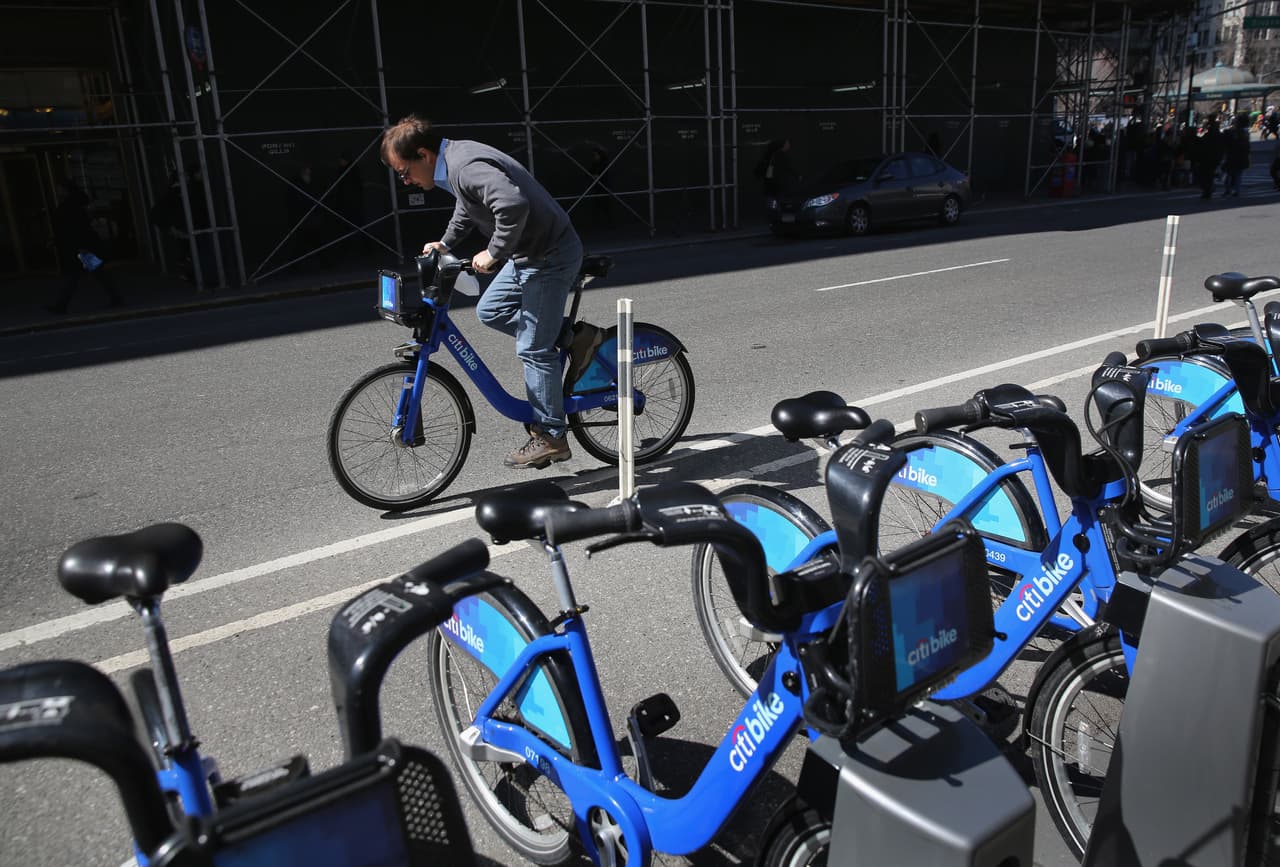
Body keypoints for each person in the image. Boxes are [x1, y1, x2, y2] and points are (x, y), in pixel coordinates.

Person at [380, 114, 602, 469]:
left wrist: (494, 251)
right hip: (528, 252)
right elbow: (468, 205)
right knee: (491, 310)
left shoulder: (464, 166)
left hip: (549, 254)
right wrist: (446, 243)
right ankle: (575, 338)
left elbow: (512, 204)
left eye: (404, 171)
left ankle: (552, 437)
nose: (405, 180)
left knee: (533, 346)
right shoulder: (454, 165)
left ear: (423, 154)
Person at [48, 179, 122, 314]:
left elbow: (73, 228)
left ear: (66, 190)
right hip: (82, 245)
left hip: (79, 246)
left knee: (74, 275)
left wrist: (67, 242)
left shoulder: (70, 206)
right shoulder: (78, 204)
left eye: (60, 188)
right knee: (96, 272)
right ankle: (116, 297)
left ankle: (61, 305)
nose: (58, 191)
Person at [1221, 112, 1252, 198]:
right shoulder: (1245, 134)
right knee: (1237, 175)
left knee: (1228, 174)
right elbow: (1247, 147)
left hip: (1231, 156)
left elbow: (1225, 144)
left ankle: (1228, 190)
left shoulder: (1231, 132)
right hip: (1240, 157)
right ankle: (1235, 190)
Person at [1195, 114, 1224, 199]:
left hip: (1207, 157)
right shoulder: (1218, 135)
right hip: (1213, 157)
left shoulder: (1209, 135)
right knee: (1209, 175)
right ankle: (1208, 189)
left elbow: (1203, 145)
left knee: (1206, 175)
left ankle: (1207, 190)